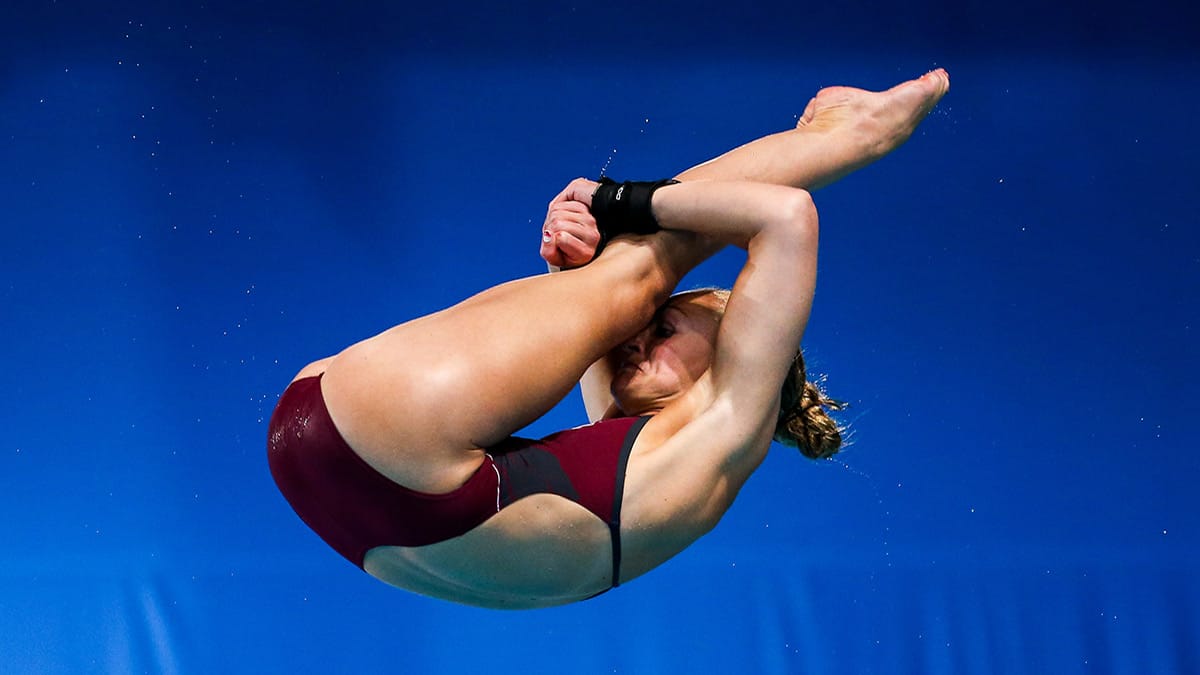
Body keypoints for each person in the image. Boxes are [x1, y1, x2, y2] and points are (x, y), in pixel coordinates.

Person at [267, 70, 950, 609]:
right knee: (626, 274)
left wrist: (619, 200)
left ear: (733, 356)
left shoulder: (727, 423)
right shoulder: (638, 451)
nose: (638, 339)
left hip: (376, 449)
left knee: (644, 266)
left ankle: (855, 137)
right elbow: (594, 313)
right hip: (339, 470)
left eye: (666, 328)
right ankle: (835, 137)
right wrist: (576, 256)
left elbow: (787, 215)